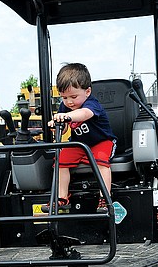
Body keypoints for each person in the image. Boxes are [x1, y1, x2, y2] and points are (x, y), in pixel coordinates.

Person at [42, 63, 116, 214]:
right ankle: (62, 198)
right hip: (80, 145)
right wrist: (57, 124)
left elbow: (84, 114)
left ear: (87, 91)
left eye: (73, 97)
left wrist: (66, 116)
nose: (69, 102)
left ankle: (105, 199)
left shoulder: (92, 104)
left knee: (102, 161)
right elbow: (64, 129)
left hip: (101, 142)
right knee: (60, 160)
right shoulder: (66, 107)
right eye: (64, 98)